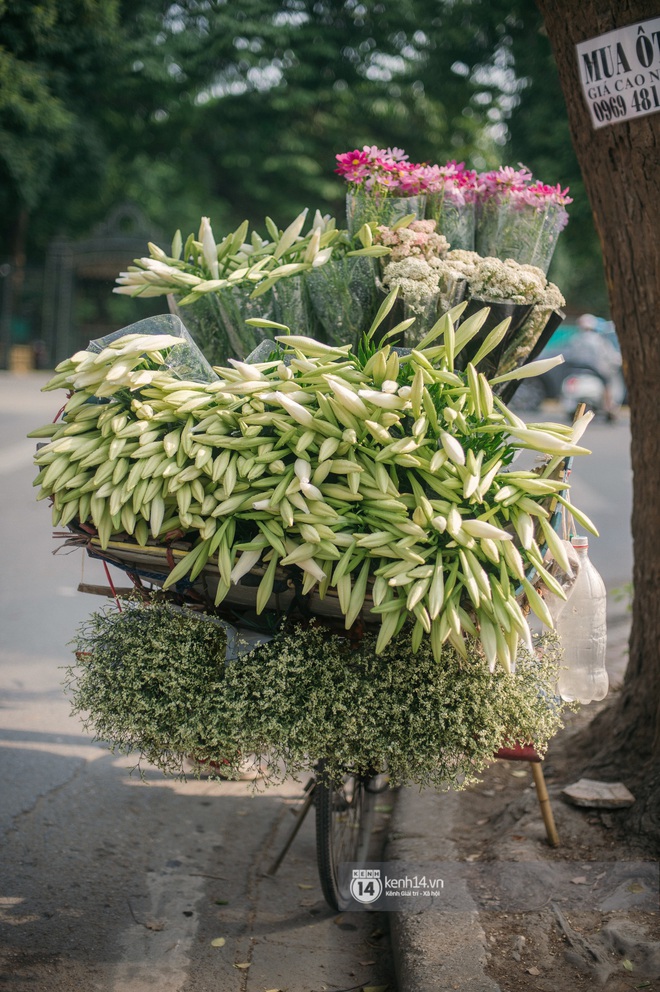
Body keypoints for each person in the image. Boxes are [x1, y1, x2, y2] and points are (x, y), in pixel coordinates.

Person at [564, 313, 622, 420]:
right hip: (595, 371)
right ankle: (609, 408)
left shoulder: (575, 339)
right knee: (607, 384)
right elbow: (609, 356)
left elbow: (568, 355)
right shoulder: (599, 340)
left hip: (576, 371)